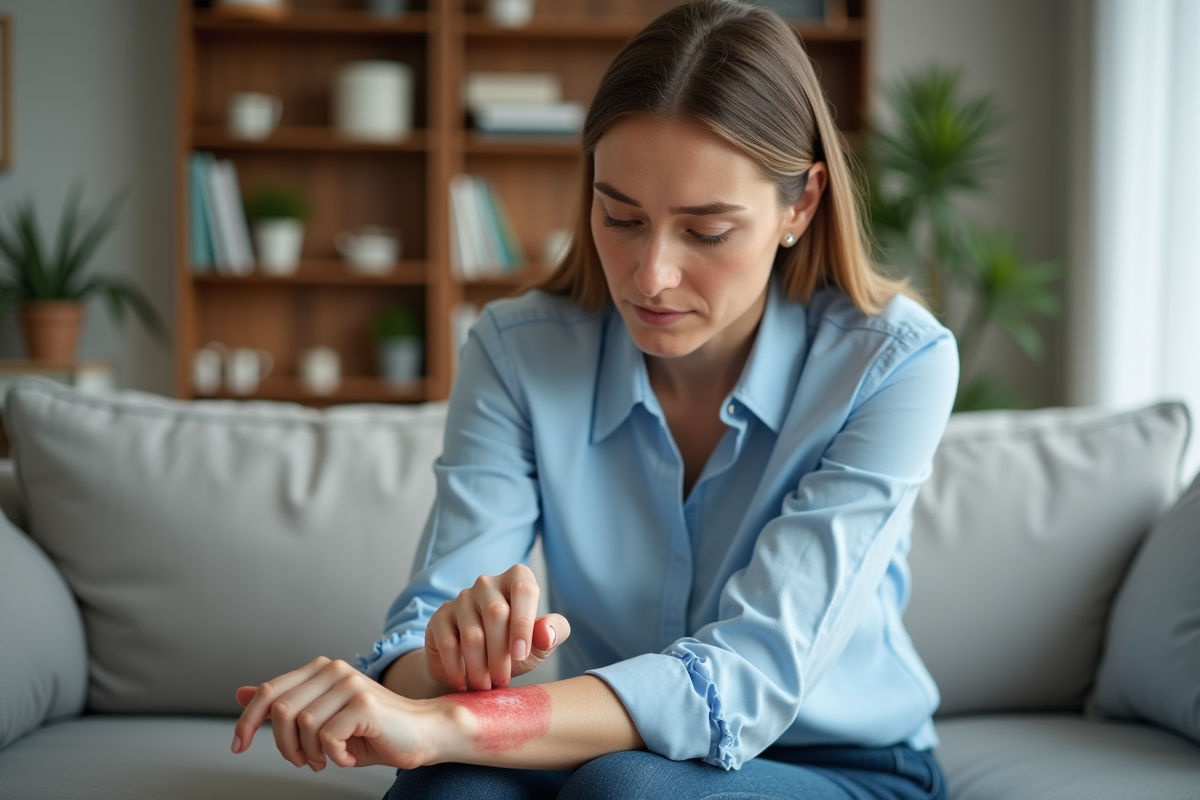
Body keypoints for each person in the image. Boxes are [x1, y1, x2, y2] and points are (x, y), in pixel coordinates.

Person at [231, 1, 958, 797]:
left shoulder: (893, 362)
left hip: (832, 763)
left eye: (707, 232)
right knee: (446, 789)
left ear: (802, 204)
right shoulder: (517, 351)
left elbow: (751, 676)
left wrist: (455, 725)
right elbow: (417, 637)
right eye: (621, 216)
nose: (650, 276)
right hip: (596, 745)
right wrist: (440, 663)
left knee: (625, 790)